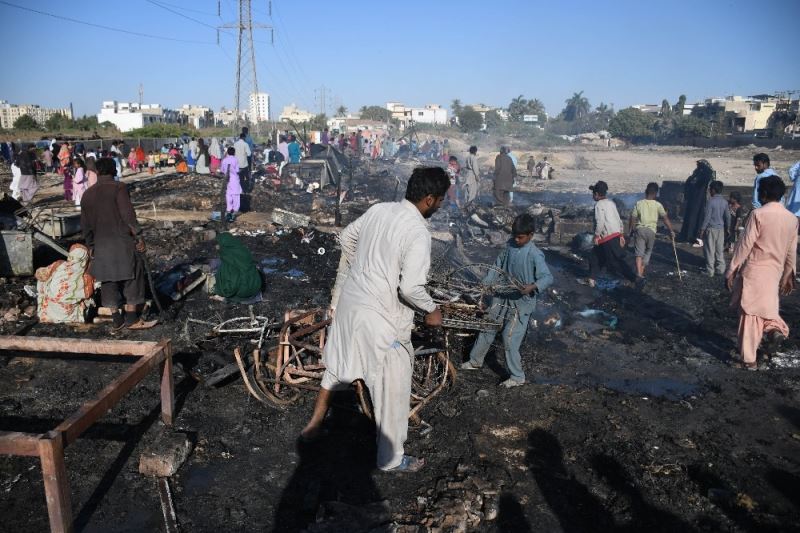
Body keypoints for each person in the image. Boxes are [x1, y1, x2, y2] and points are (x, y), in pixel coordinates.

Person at [299, 167, 449, 472]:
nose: (442, 205)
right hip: (381, 320)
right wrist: (432, 309)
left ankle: (314, 425)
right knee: (392, 392)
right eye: (442, 199)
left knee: (338, 368)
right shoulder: (419, 231)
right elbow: (410, 288)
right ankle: (391, 460)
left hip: (350, 306)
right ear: (430, 199)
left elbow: (346, 237)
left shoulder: (380, 209)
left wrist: (364, 271)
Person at [460, 214, 554, 387]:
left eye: (521, 237)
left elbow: (547, 277)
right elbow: (497, 266)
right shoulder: (509, 246)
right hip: (501, 295)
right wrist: (487, 283)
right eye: (514, 236)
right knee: (487, 326)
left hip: (522, 302)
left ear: (531, 235)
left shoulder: (535, 254)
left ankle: (517, 377)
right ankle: (475, 361)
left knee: (509, 338)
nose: (517, 240)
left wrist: (532, 286)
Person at [726, 175, 797, 369]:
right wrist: (789, 274)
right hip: (774, 272)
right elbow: (791, 251)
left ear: (763, 193)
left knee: (749, 313)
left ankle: (749, 361)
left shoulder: (758, 214)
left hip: (755, 269)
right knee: (767, 309)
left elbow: (745, 245)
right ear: (782, 195)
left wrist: (731, 268)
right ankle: (775, 331)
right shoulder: (792, 219)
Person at [80, 157, 153, 331]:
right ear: (114, 170)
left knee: (108, 281)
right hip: (122, 242)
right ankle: (132, 319)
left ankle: (116, 320)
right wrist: (139, 235)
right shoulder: (118, 188)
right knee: (133, 277)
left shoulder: (87, 194)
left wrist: (91, 245)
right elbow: (128, 215)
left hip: (101, 244)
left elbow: (85, 225)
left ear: (97, 172)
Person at [587, 180, 640, 288]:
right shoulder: (611, 203)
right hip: (613, 235)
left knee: (615, 263)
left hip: (607, 238)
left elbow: (600, 221)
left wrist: (596, 235)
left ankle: (635, 279)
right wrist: (620, 234)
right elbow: (618, 219)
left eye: (593, 193)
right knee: (595, 256)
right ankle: (591, 279)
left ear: (596, 194)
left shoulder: (599, 205)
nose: (592, 195)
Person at [35, 244, 95, 324]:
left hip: (51, 309)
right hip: (67, 313)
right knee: (87, 296)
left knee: (42, 283)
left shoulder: (59, 264)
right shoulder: (86, 276)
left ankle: (47, 314)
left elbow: (39, 275)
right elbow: (88, 293)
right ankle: (73, 317)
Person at [628, 182, 675, 278]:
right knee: (648, 251)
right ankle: (641, 270)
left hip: (640, 230)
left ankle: (639, 273)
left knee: (638, 253)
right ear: (656, 193)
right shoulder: (658, 205)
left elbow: (632, 217)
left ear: (646, 191)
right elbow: (665, 218)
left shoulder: (639, 203)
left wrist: (631, 230)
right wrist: (671, 230)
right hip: (651, 232)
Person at [213, 232, 262, 300]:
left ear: (224, 244)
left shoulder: (228, 259)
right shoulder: (242, 250)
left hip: (244, 291)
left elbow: (233, 283)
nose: (216, 246)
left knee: (222, 270)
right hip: (255, 287)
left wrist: (220, 291)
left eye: (218, 244)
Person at [677, 159, 714, 244]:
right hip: (692, 199)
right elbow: (688, 182)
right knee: (690, 217)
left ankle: (692, 236)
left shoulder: (705, 174)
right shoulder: (696, 173)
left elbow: (706, 179)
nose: (697, 166)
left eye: (699, 165)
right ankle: (687, 235)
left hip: (699, 200)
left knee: (695, 217)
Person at [699, 180, 731, 277]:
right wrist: (728, 228)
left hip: (711, 229)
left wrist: (702, 229)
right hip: (720, 229)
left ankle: (710, 271)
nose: (709, 191)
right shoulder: (725, 202)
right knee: (719, 249)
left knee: (709, 250)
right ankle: (721, 269)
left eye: (710, 189)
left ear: (713, 190)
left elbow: (707, 217)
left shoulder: (710, 202)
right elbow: (728, 216)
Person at [220, 147, 241, 222]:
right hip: (234, 180)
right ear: (234, 152)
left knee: (228, 196)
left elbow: (222, 170)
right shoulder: (235, 159)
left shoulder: (224, 160)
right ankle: (234, 213)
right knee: (236, 197)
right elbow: (237, 170)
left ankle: (228, 211)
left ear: (228, 152)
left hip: (227, 180)